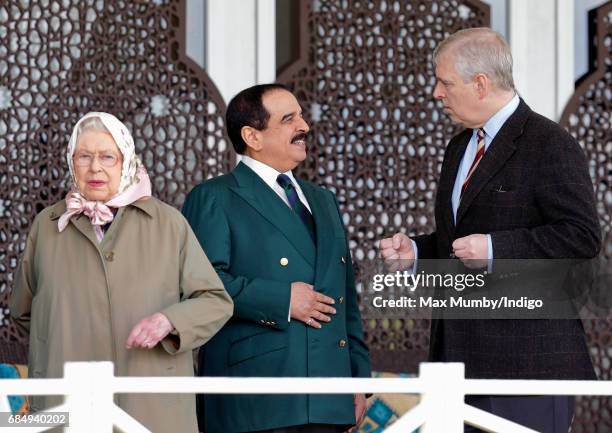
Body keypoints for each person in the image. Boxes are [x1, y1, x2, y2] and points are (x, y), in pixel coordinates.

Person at [379, 28, 601, 432]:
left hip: (527, 366)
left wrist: (497, 249)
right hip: (456, 364)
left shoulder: (550, 142)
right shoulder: (458, 148)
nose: (436, 93)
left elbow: (581, 235)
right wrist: (416, 251)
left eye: (444, 82)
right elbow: (459, 245)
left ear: (480, 83)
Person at [10, 112, 233, 433]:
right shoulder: (47, 226)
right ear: (71, 161)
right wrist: (64, 338)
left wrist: (170, 322)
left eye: (107, 157)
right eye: (84, 156)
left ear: (126, 160)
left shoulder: (167, 223)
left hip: (150, 404)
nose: (95, 167)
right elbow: (24, 309)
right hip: (68, 405)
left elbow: (215, 301)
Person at [182, 84, 371, 433]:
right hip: (255, 396)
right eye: (289, 119)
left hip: (329, 396)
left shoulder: (323, 199)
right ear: (252, 135)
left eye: (300, 116)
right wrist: (283, 300)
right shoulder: (213, 197)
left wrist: (357, 379)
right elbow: (202, 286)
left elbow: (346, 298)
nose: (304, 126)